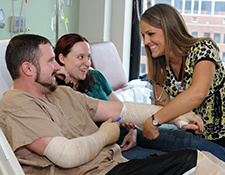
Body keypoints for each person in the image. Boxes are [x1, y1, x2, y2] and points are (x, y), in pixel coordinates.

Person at [1, 34, 225, 175]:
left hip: (111, 163)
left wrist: (175, 116)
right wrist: (107, 134)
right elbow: (66, 155)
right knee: (194, 161)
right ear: (28, 69)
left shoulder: (61, 93)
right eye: (50, 61)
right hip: (94, 172)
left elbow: (120, 109)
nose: (57, 67)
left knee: (201, 156)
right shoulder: (16, 105)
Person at [53, 33, 225, 162]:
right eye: (80, 57)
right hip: (113, 148)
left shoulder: (95, 77)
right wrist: (55, 77)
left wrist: (132, 130)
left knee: (186, 140)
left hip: (129, 135)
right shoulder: (55, 91)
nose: (87, 63)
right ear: (61, 58)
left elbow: (121, 109)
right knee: (174, 160)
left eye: (89, 57)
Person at [140, 3, 225, 148]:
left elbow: (197, 94)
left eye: (151, 34)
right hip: (196, 136)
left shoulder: (203, 49)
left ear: (169, 29)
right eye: (143, 36)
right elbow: (161, 107)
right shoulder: (160, 66)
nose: (146, 42)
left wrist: (153, 121)